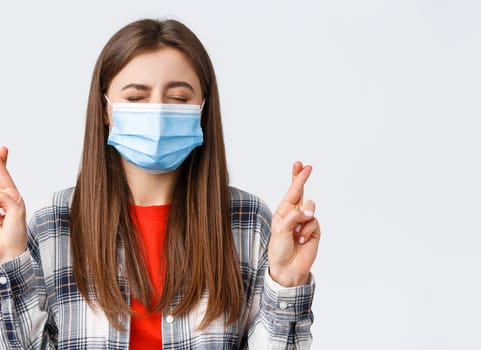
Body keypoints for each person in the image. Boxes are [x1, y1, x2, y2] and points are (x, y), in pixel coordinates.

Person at [0, 18, 320, 349]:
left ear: (202, 109)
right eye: (137, 98)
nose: (158, 112)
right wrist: (9, 253)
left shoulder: (248, 222)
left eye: (179, 98)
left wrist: (288, 280)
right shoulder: (50, 224)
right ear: (104, 109)